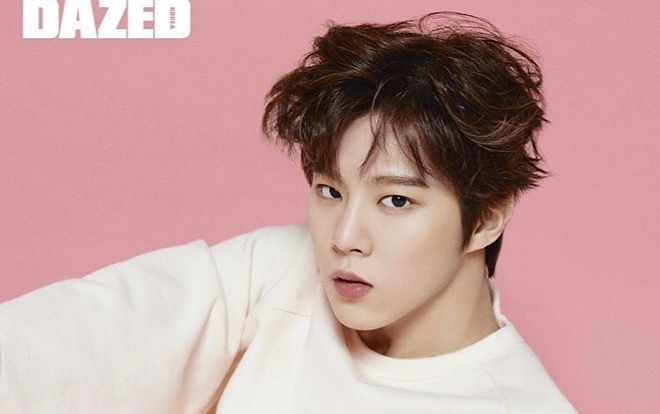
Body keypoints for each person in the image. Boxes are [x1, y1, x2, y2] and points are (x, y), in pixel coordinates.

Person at [0, 11, 577, 413]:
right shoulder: (276, 273)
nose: (344, 237)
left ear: (487, 218)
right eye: (329, 191)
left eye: (396, 200)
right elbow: (62, 344)